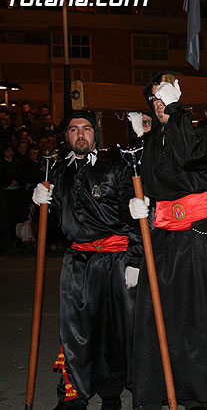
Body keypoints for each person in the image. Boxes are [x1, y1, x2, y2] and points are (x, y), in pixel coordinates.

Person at [130, 73, 207, 410]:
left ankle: (206, 392)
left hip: (201, 239)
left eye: (164, 98)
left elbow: (190, 157)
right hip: (166, 239)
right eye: (154, 101)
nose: (159, 106)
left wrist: (178, 111)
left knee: (205, 321)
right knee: (170, 319)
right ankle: (173, 387)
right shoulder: (152, 140)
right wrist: (139, 204)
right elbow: (150, 181)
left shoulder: (201, 131)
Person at [31, 110, 141, 410]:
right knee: (76, 330)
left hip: (115, 261)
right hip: (77, 261)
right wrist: (37, 203)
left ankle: (110, 394)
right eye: (73, 130)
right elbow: (49, 225)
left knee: (115, 332)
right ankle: (74, 395)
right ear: (66, 136)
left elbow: (134, 216)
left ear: (96, 133)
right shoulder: (57, 171)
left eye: (87, 129)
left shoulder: (116, 167)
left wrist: (135, 259)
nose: (81, 135)